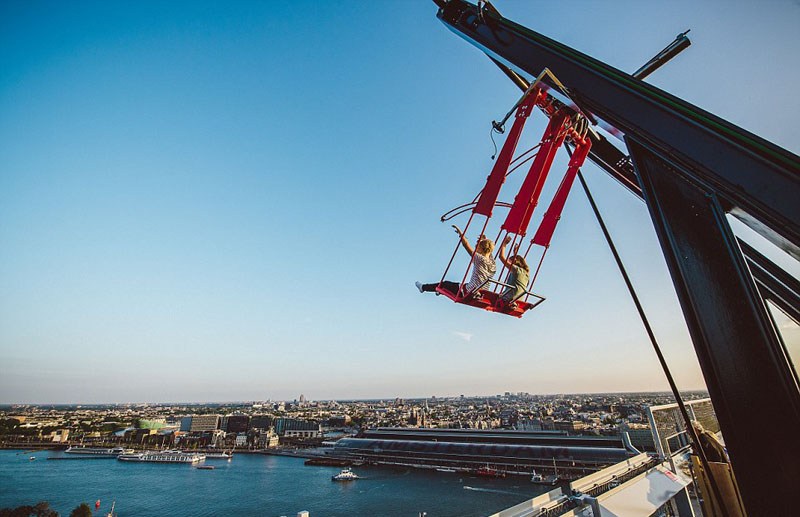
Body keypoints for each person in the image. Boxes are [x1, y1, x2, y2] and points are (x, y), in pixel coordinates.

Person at [416, 225, 496, 299]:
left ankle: (423, 287)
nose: (476, 249)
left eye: (477, 247)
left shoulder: (479, 259)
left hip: (468, 291)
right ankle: (439, 291)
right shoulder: (493, 264)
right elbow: (489, 251)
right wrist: (484, 240)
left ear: (481, 249)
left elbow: (466, 244)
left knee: (444, 284)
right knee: (453, 285)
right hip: (483, 293)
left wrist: (461, 234)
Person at [497, 235, 530, 309]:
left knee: (496, 297)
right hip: (519, 301)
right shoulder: (526, 274)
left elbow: (501, 257)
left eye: (509, 261)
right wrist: (515, 253)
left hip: (508, 299)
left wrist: (504, 244)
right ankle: (513, 304)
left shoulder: (516, 269)